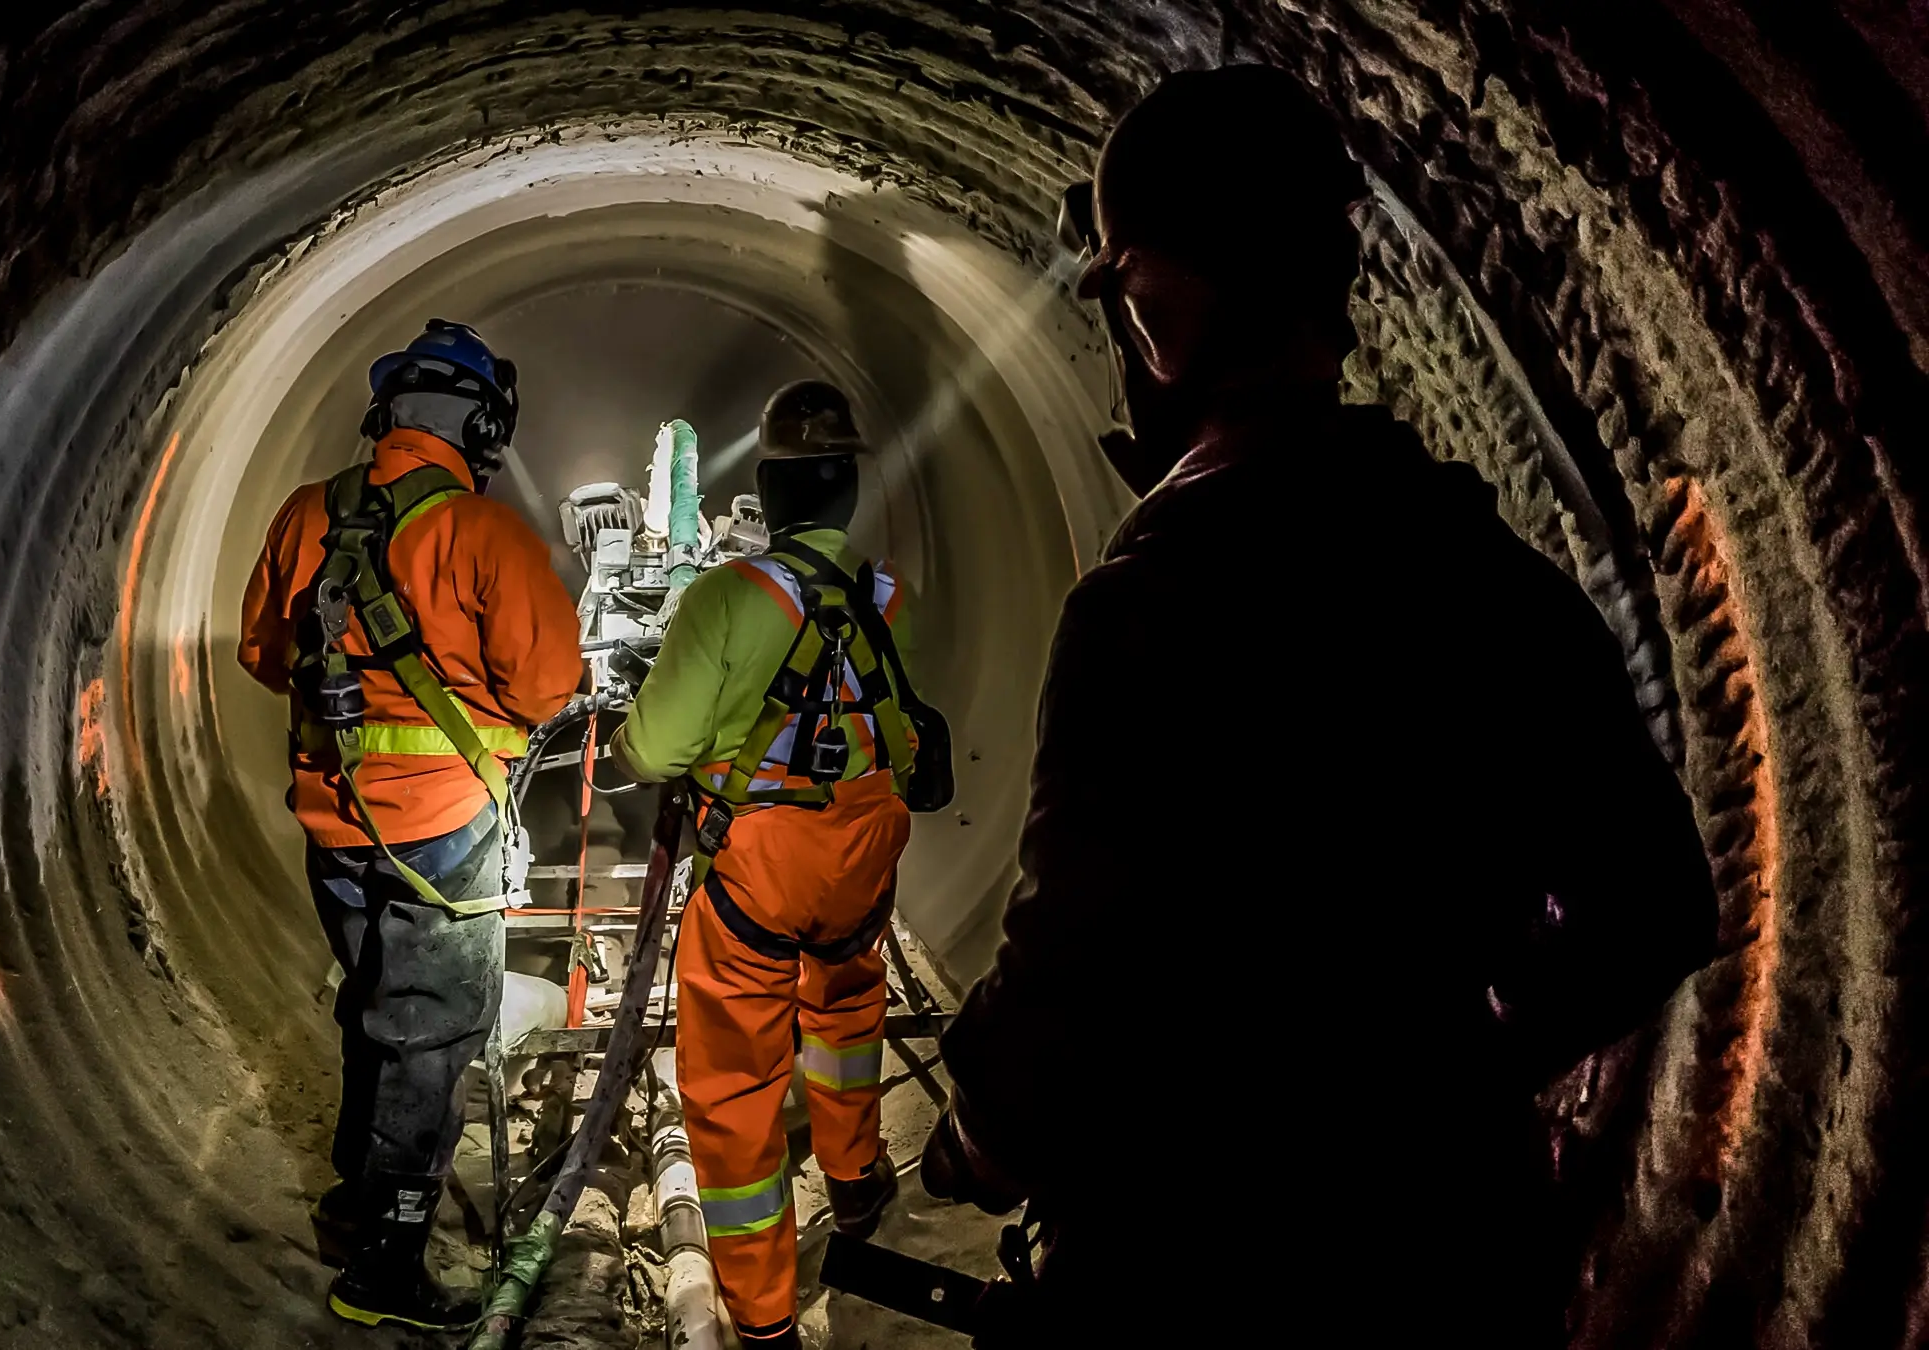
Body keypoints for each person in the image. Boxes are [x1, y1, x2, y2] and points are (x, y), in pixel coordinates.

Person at [922, 66, 1718, 1346]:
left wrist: (979, 1137)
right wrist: (1453, 1069)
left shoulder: (1147, 600)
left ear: (1157, 299)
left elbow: (1077, 951)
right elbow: (1659, 900)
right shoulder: (1482, 569)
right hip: (1452, 1251)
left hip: (1199, 1262)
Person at [237, 318, 582, 1329]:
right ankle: (386, 1265)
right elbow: (552, 683)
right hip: (443, 830)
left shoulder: (308, 515)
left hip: (332, 821)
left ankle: (354, 1198)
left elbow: (266, 655)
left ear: (386, 415)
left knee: (372, 1003)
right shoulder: (485, 534)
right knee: (432, 1038)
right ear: (481, 427)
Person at [612, 381, 936, 1350]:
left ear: (771, 489)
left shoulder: (725, 600)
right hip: (862, 863)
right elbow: (899, 738)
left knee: (734, 1084)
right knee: (843, 1013)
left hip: (760, 875)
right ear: (847, 494)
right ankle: (855, 1176)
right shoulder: (887, 597)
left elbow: (651, 752)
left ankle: (759, 1315)